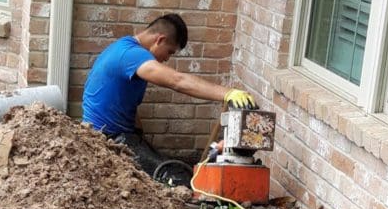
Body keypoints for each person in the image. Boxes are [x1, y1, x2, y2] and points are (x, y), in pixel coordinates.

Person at [82, 13, 257, 177]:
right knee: (175, 177)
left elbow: (127, 104)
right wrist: (227, 93)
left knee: (172, 167)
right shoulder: (131, 55)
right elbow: (177, 81)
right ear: (160, 40)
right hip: (106, 140)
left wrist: (141, 140)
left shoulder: (125, 47)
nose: (167, 59)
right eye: (170, 52)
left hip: (118, 135)